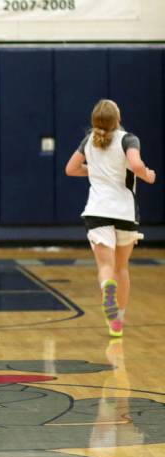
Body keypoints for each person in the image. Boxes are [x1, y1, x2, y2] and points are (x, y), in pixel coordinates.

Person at [65, 99, 156, 337]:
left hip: (97, 211)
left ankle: (107, 289)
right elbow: (136, 165)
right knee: (121, 267)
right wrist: (148, 175)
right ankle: (118, 321)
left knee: (105, 267)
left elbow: (71, 169)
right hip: (124, 213)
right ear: (118, 118)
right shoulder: (129, 139)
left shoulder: (89, 142)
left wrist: (93, 171)